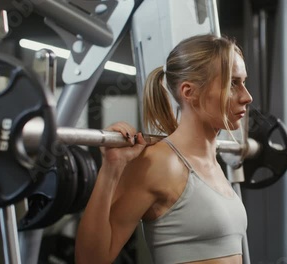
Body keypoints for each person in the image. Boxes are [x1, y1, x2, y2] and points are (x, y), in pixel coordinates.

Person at [75, 34, 253, 264]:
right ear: (189, 92)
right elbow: (90, 260)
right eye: (232, 84)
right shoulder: (160, 163)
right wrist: (111, 169)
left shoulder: (212, 164)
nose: (247, 97)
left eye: (244, 82)